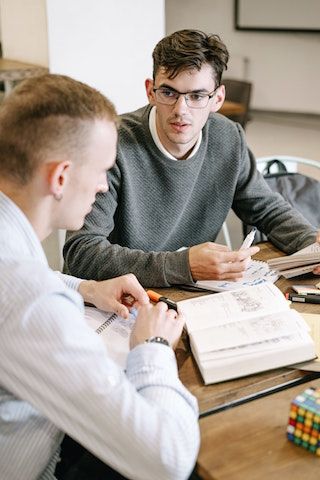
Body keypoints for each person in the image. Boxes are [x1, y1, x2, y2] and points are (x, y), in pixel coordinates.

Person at [0, 74, 200, 480]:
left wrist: (87, 287)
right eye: (101, 170)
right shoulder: (28, 300)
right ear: (59, 178)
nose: (104, 184)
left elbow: (27, 278)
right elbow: (168, 459)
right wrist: (154, 346)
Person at [63, 29, 319, 288]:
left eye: (196, 96)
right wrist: (182, 265)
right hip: (118, 300)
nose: (180, 110)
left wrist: (311, 245)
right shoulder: (111, 144)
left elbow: (266, 209)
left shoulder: (228, 137)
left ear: (217, 98)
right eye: (169, 93)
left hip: (191, 295)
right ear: (150, 91)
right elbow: (82, 252)